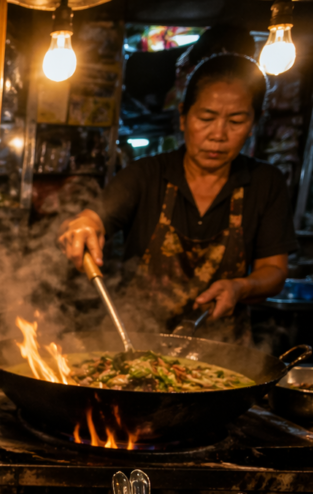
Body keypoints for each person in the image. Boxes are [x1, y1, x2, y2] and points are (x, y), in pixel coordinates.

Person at [59, 54, 295, 342]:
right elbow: (95, 216)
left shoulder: (265, 182)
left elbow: (274, 270)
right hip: (133, 341)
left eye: (236, 121)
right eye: (206, 118)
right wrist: (83, 224)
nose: (218, 134)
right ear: (183, 116)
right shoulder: (146, 174)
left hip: (219, 354)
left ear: (253, 123)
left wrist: (239, 287)